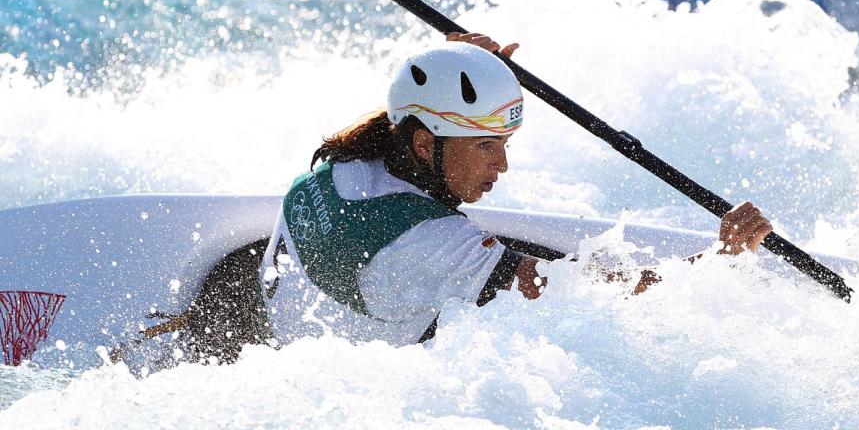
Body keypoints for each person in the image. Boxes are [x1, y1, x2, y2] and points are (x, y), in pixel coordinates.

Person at [260, 32, 773, 347]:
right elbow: (577, 295)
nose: (503, 165)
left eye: (504, 143)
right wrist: (717, 261)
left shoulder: (340, 162)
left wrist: (463, 63)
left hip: (294, 339)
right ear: (424, 145)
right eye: (487, 146)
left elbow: (402, 113)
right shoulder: (430, 243)